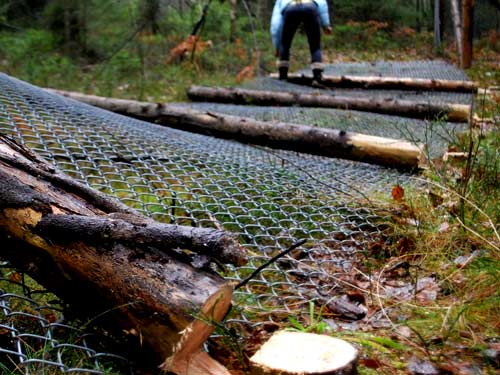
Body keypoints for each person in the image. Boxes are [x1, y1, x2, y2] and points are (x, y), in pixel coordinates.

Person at [270, 0, 332, 82]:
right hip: (310, 7)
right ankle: (317, 77)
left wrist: (277, 47)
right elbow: (322, 4)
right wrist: (326, 25)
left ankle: (283, 76)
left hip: (290, 9)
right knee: (315, 45)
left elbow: (276, 25)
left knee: (285, 44)